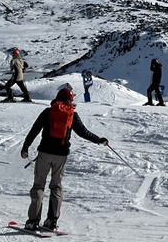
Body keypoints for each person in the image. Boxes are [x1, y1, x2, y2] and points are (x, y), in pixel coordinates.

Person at [20, 84, 108, 232]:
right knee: (56, 186)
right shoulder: (72, 115)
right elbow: (83, 132)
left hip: (45, 153)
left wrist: (25, 147)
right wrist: (99, 140)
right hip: (61, 156)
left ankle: (33, 221)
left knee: (39, 186)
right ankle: (52, 221)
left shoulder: (48, 112)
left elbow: (34, 130)